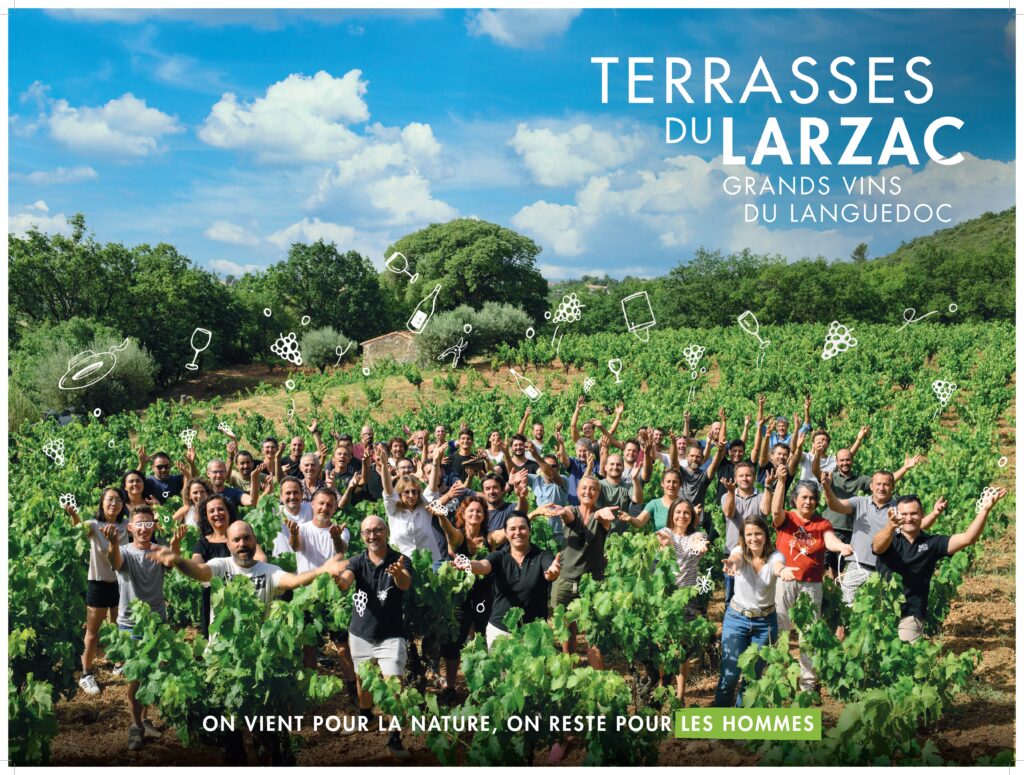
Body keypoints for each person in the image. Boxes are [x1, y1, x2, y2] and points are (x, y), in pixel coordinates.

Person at [872, 488, 1005, 642]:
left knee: (905, 652)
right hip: (881, 608)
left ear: (922, 515)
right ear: (897, 515)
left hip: (911, 611)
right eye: (904, 514)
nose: (909, 518)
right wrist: (890, 526)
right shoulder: (890, 538)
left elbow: (968, 538)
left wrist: (985, 509)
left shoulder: (932, 543)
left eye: (914, 513)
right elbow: (877, 547)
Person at [334, 516, 414, 760]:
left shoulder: (401, 560)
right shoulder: (358, 561)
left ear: (386, 531)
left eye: (377, 530)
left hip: (391, 634)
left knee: (395, 686)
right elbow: (346, 580)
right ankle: (366, 715)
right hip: (361, 632)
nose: (372, 535)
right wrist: (340, 581)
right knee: (364, 680)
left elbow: (405, 584)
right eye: (367, 532)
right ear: (361, 536)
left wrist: (399, 574)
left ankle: (394, 737)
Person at [105, 505, 184, 750]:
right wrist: (113, 543)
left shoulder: (160, 551)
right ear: (130, 528)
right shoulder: (125, 552)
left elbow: (172, 564)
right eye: (139, 523)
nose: (144, 528)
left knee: (152, 676)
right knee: (137, 678)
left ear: (154, 527)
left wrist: (176, 545)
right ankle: (136, 726)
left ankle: (145, 719)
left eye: (149, 524)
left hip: (158, 623)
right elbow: (115, 561)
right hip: (130, 625)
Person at [770, 470, 853, 693]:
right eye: (804, 497)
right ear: (795, 499)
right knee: (781, 630)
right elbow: (774, 511)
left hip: (811, 584)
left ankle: (808, 684)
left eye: (812, 497)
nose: (808, 501)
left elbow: (830, 540)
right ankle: (781, 678)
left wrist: (841, 547)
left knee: (809, 634)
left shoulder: (821, 523)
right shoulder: (787, 518)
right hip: (785, 581)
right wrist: (780, 481)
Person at [537, 476, 618, 669]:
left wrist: (599, 516)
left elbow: (604, 522)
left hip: (592, 583)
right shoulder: (572, 510)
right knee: (567, 629)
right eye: (584, 488)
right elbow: (569, 517)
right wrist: (562, 511)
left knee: (593, 633)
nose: (588, 492)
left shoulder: (603, 514)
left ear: (598, 493)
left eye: (592, 489)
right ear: (578, 491)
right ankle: (569, 670)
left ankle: (597, 681)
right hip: (565, 579)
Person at [714, 514, 787, 708]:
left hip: (765, 624)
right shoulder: (739, 552)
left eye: (758, 533)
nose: (754, 538)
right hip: (737, 619)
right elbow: (735, 559)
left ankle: (741, 724)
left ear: (765, 535)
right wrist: (731, 564)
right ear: (743, 537)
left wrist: (783, 572)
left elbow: (778, 567)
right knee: (729, 676)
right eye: (749, 534)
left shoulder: (775, 556)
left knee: (752, 678)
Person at [65, 487, 130, 696]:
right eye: (110, 499)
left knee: (119, 627)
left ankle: (119, 664)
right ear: (102, 503)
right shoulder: (94, 525)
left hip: (121, 582)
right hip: (99, 583)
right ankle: (86, 674)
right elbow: (78, 529)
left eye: (119, 500)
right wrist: (74, 515)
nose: (114, 503)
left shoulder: (126, 526)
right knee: (92, 633)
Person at [460, 513, 560, 647]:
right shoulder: (499, 557)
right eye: (512, 529)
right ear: (506, 534)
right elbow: (483, 566)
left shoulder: (542, 556)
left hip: (534, 632)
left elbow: (549, 573)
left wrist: (553, 572)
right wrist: (468, 564)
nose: (518, 532)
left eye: (522, 528)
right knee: (500, 668)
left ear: (529, 531)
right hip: (500, 631)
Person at [435, 495, 496, 703]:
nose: (475, 514)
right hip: (459, 598)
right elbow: (448, 531)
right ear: (463, 513)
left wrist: (530, 513)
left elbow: (508, 532)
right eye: (471, 510)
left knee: (481, 641)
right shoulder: (459, 537)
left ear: (484, 515)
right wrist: (442, 516)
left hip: (483, 597)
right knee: (454, 643)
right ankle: (450, 687)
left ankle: (482, 687)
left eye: (479, 511)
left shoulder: (490, 538)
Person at [192, 494, 268, 639]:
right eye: (211, 511)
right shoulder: (203, 543)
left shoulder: (242, 536)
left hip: (245, 597)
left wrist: (248, 576)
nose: (216, 514)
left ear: (228, 511)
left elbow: (261, 557)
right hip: (214, 600)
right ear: (206, 516)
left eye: (220, 509)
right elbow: (196, 561)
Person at [655, 499, 709, 704]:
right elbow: (663, 540)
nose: (682, 516)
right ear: (672, 514)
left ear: (692, 516)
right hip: (665, 595)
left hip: (687, 596)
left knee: (682, 647)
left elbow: (700, 543)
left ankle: (680, 695)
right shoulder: (664, 532)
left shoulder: (697, 536)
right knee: (662, 644)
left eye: (687, 512)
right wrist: (665, 543)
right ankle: (662, 686)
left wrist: (702, 546)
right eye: (678, 512)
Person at [380, 444, 444, 565]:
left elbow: (433, 487)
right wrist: (384, 464)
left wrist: (435, 463)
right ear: (400, 493)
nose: (411, 495)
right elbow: (388, 490)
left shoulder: (425, 506)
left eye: (414, 492)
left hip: (429, 563)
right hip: (401, 563)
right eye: (406, 492)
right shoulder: (393, 509)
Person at [719, 461, 765, 603]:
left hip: (756, 553)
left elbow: (767, 511)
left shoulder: (762, 497)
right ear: (736, 478)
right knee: (730, 596)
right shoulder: (726, 496)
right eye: (741, 475)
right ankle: (730, 624)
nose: (745, 478)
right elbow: (729, 512)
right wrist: (731, 492)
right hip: (732, 551)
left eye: (748, 475)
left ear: (754, 477)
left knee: (755, 594)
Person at [596, 439, 644, 533]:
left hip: (620, 534)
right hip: (600, 533)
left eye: (618, 465)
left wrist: (634, 479)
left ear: (623, 468)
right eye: (612, 464)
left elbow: (638, 500)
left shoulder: (627, 486)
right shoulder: (599, 485)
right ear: (605, 467)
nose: (615, 467)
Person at [271, 476, 313, 557]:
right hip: (281, 563)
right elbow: (258, 507)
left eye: (296, 492)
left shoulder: (311, 508)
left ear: (302, 494)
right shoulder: (274, 511)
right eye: (288, 493)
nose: (292, 497)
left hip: (308, 563)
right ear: (281, 496)